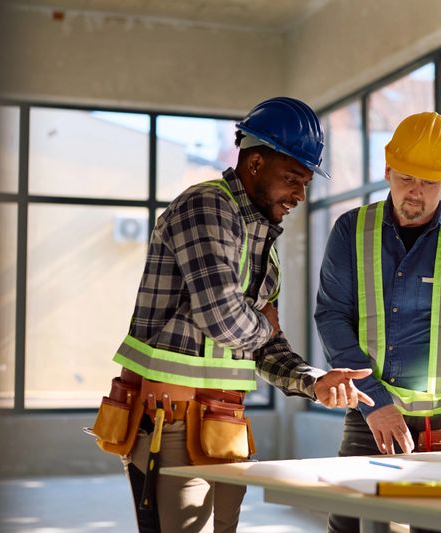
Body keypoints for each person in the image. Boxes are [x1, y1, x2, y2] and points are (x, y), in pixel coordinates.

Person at [106, 96, 374, 533]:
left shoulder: (263, 244)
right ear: (253, 164)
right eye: (292, 179)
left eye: (306, 183)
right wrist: (262, 321)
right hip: (169, 421)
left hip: (222, 423)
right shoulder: (207, 207)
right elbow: (222, 318)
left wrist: (314, 381)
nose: (300, 196)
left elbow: (264, 345)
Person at [314, 111, 441, 533]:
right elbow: (332, 316)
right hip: (370, 411)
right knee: (350, 524)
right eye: (406, 177)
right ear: (388, 169)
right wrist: (375, 400)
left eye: (429, 182)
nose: (415, 192)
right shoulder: (350, 232)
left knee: (440, 526)